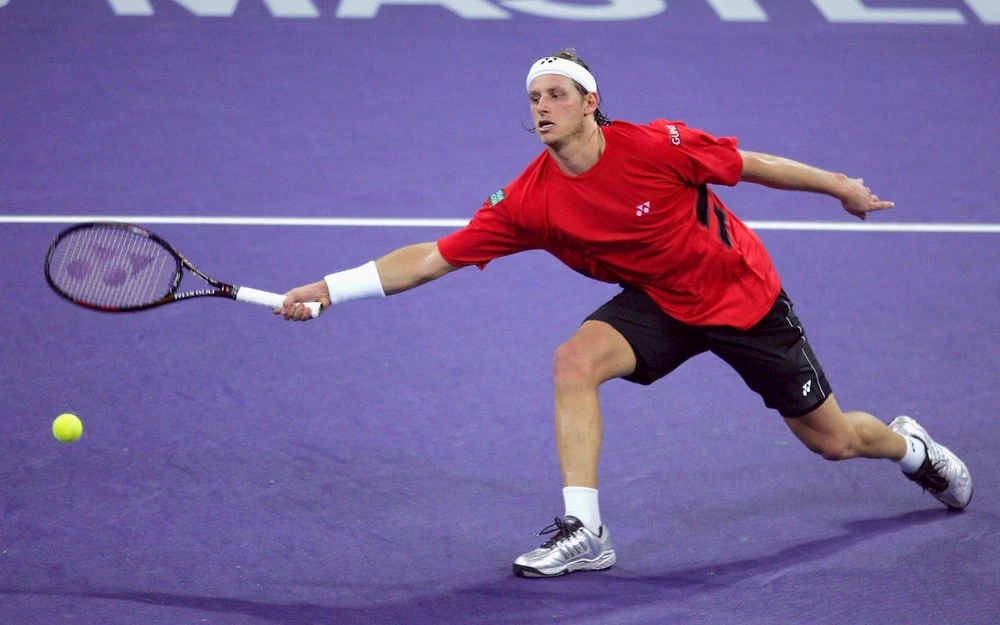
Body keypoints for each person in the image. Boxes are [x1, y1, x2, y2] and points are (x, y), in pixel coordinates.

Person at [278, 50, 973, 578]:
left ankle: (911, 448)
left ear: (590, 104)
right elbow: (432, 258)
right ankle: (586, 531)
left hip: (743, 299)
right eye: (534, 98)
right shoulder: (529, 200)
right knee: (573, 360)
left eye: (557, 94)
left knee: (835, 442)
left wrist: (840, 186)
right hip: (660, 301)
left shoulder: (654, 146)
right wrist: (330, 288)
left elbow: (751, 163)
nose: (542, 106)